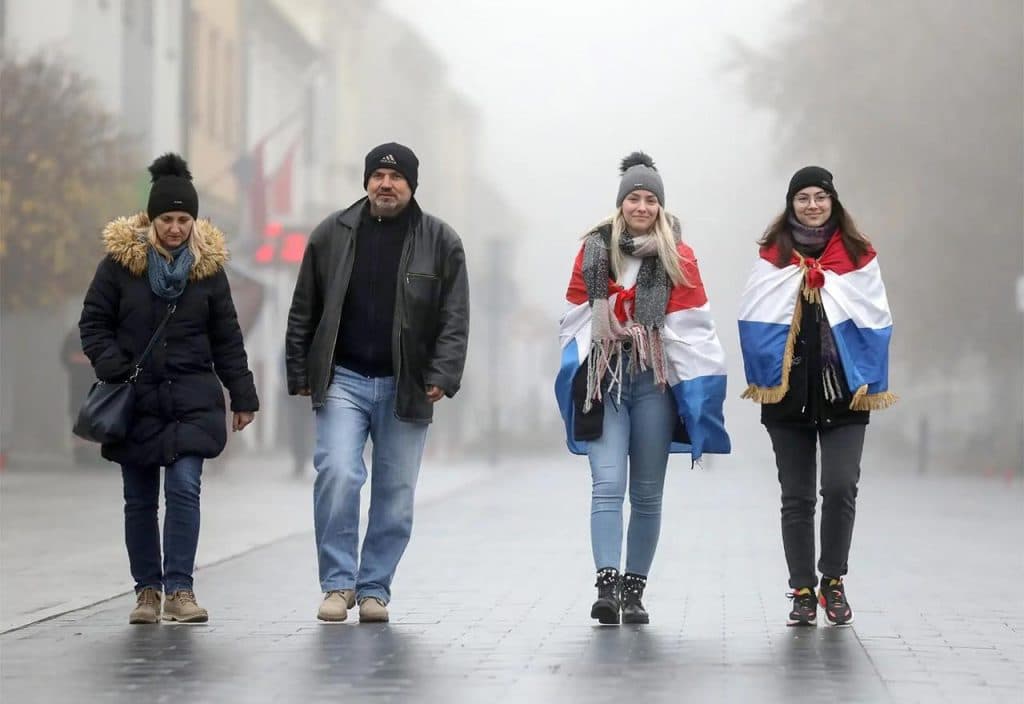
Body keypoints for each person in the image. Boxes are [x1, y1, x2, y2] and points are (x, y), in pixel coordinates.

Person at [286, 142, 469, 624]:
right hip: (343, 377)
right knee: (338, 474)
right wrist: (300, 370)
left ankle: (374, 589)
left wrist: (443, 374)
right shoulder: (332, 234)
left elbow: (455, 316)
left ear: (411, 184)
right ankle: (337, 584)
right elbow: (304, 305)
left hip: (405, 383)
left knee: (395, 491)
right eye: (377, 176)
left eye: (396, 177)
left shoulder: (441, 240)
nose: (385, 184)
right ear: (366, 181)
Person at [79, 153, 259, 625]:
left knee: (183, 490)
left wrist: (242, 396)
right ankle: (146, 591)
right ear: (151, 219)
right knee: (138, 500)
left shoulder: (208, 271)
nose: (175, 228)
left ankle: (180, 589)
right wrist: (114, 365)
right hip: (135, 400)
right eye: (167, 219)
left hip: (191, 401)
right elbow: (93, 323)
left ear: (194, 221)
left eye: (183, 219)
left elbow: (227, 338)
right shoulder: (119, 266)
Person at [555, 152, 731, 625]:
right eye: (633, 197)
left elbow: (694, 324)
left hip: (654, 382)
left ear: (659, 205)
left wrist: (648, 333)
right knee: (608, 484)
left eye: (650, 199)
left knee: (648, 494)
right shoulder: (595, 250)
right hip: (605, 380)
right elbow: (573, 316)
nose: (641, 206)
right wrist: (604, 320)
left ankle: (635, 591)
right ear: (620, 203)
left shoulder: (679, 256)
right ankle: (607, 586)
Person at [737, 166, 895, 627]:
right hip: (788, 395)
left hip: (845, 392)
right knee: (798, 496)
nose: (811, 204)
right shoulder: (772, 257)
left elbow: (876, 318)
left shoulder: (858, 257)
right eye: (802, 197)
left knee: (841, 487)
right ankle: (803, 589)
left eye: (819, 196)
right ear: (791, 205)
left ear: (833, 202)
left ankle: (834, 580)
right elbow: (753, 317)